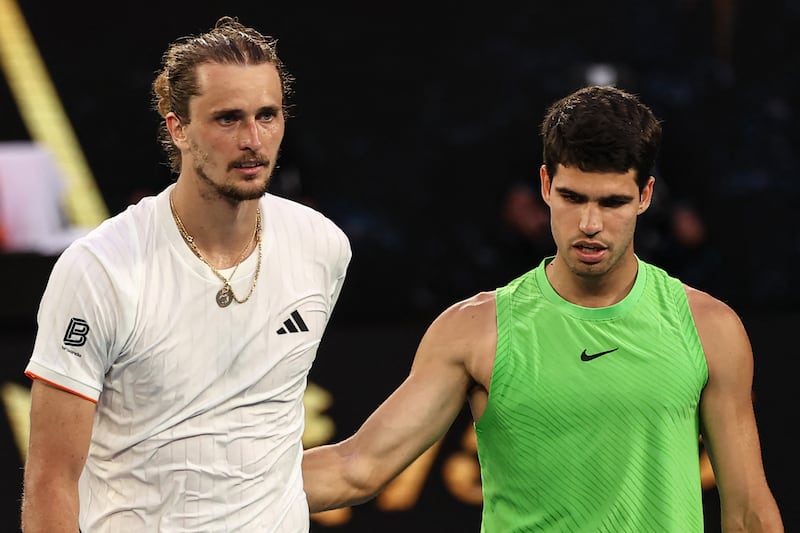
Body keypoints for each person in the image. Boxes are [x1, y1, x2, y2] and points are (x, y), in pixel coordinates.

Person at [302, 85, 784, 531]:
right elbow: (356, 469)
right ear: (546, 185)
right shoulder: (474, 330)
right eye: (573, 197)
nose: (590, 224)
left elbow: (747, 511)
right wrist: (227, 489)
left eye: (612, 202)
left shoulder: (710, 328)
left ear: (645, 196)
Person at [20, 16, 351, 532]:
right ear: (178, 128)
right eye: (227, 119)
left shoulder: (322, 247)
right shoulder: (100, 269)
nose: (252, 140)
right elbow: (50, 482)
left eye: (268, 115)